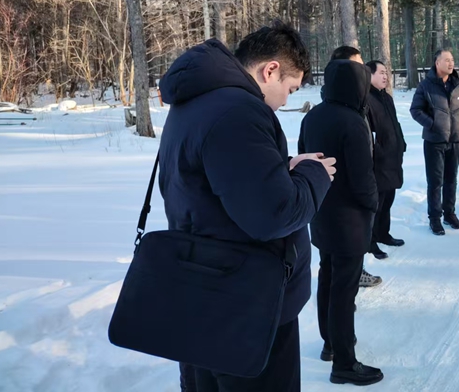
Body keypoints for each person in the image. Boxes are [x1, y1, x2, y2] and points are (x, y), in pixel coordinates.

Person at [158, 22, 336, 392]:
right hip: (245, 301)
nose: (285, 101)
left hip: (204, 288)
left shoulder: (198, 100)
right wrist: (314, 175)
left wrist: (281, 167)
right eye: (289, 89)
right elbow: (274, 215)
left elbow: (210, 184)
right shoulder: (239, 110)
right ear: (270, 70)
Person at [298, 59, 384, 386]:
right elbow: (363, 178)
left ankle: (331, 343)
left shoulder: (312, 116)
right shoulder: (353, 121)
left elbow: (303, 158)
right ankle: (345, 363)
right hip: (350, 219)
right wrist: (373, 205)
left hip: (321, 212)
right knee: (344, 290)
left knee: (328, 277)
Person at [329, 46, 382, 288]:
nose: (364, 71)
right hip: (347, 201)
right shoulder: (341, 111)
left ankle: (355, 272)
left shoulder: (358, 104)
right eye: (358, 66)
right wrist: (371, 199)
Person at [410, 49, 459, 236]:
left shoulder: (457, 84)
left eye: (452, 60)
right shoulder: (426, 85)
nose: (451, 63)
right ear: (437, 63)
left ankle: (449, 214)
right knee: (436, 181)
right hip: (434, 141)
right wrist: (433, 124)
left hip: (455, 140)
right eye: (446, 60)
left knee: (451, 179)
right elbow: (416, 110)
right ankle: (435, 218)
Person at [365, 60, 407, 259]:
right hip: (379, 160)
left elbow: (395, 124)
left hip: (393, 157)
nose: (385, 76)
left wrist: (401, 143)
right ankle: (370, 241)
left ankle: (383, 233)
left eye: (386, 72)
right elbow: (369, 132)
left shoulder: (386, 98)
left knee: (388, 199)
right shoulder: (366, 99)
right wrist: (378, 150)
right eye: (381, 72)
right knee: (377, 202)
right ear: (369, 75)